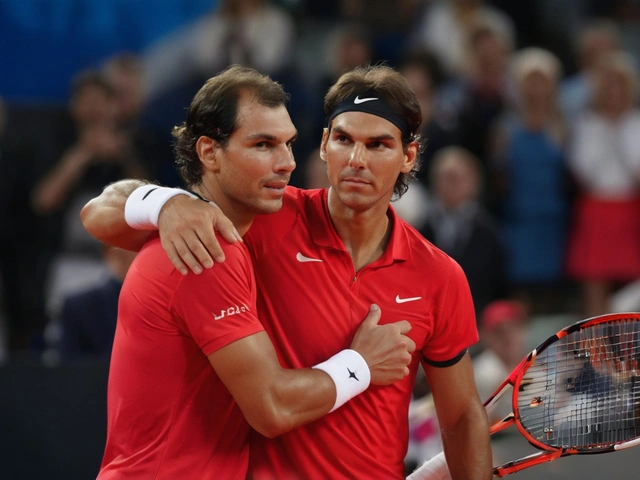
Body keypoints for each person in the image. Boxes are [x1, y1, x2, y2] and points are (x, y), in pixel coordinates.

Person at [81, 65, 492, 479]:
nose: (356, 160)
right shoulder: (255, 218)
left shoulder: (440, 276)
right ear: (325, 144)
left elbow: (459, 418)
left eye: (378, 145)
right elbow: (97, 214)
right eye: (344, 139)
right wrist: (167, 202)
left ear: (408, 156)